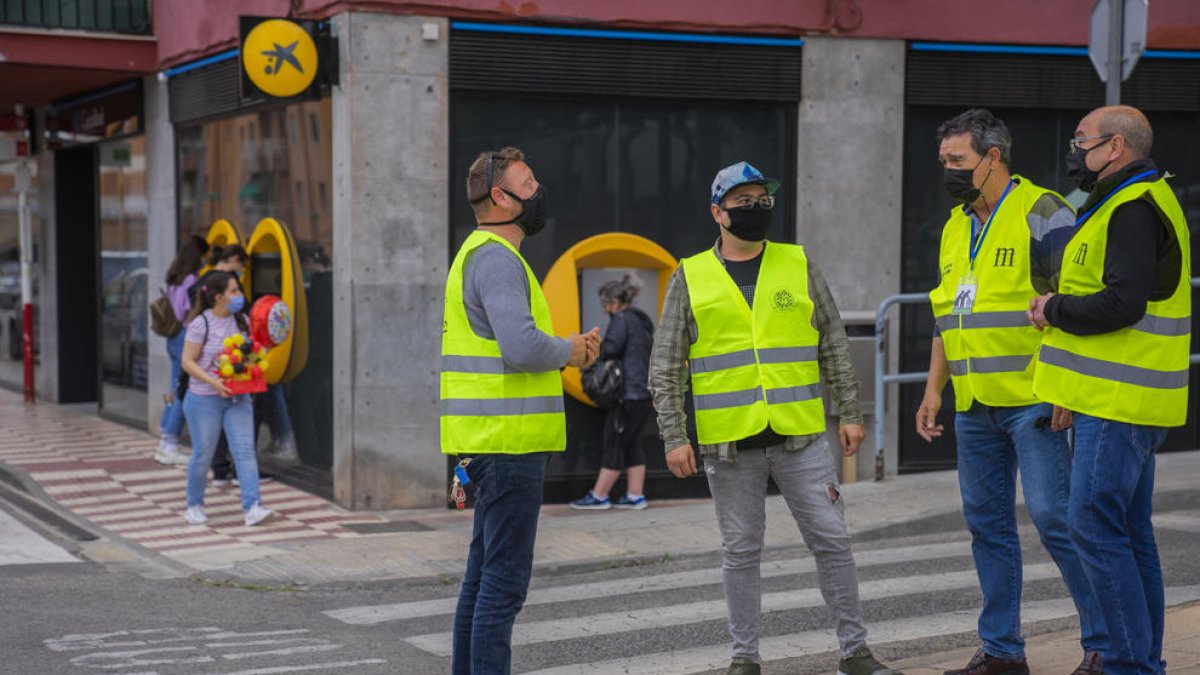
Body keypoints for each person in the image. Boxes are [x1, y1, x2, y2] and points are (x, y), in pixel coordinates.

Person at [648, 161, 901, 675]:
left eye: (762, 198)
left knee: (831, 542)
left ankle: (856, 653)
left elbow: (832, 339)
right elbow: (666, 365)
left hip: (801, 437)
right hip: (729, 444)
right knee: (740, 552)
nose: (756, 208)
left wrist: (849, 411)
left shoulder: (797, 263)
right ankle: (745, 659)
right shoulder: (690, 275)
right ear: (717, 212)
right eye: (743, 201)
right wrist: (675, 436)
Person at [917, 109, 1106, 675]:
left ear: (992, 157)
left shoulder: (1043, 210)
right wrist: (933, 392)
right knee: (987, 527)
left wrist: (1067, 389)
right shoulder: (955, 225)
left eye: (958, 161)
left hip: (1034, 399)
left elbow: (1073, 304)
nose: (947, 170)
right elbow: (947, 316)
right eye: (944, 161)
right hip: (975, 406)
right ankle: (1002, 651)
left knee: (1056, 519)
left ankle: (1105, 644)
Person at [1029, 105, 1190, 675]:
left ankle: (1127, 665)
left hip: (1117, 405)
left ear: (1116, 146)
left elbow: (1122, 304)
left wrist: (1052, 308)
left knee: (1093, 527)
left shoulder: (1132, 208)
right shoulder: (1124, 202)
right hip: (1118, 400)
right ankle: (1143, 662)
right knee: (1127, 532)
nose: (1074, 150)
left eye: (1081, 140)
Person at [441, 146, 599, 674]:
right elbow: (522, 347)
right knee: (502, 588)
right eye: (528, 183)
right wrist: (572, 350)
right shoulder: (495, 260)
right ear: (501, 197)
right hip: (508, 446)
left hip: (487, 441)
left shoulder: (477, 255)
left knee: (481, 579)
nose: (539, 191)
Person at [180, 271, 275, 527]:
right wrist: (213, 382)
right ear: (219, 297)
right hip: (204, 398)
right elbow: (187, 362)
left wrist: (266, 345)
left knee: (244, 450)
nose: (239, 296)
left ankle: (253, 506)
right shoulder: (202, 323)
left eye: (238, 290)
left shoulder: (243, 321)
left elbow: (250, 356)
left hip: (238, 397)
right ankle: (194, 504)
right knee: (203, 453)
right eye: (234, 291)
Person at [570, 274, 655, 510]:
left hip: (626, 393)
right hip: (643, 392)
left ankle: (599, 495)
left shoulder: (621, 319)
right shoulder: (641, 319)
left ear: (615, 302)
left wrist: (591, 346)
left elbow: (610, 348)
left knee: (613, 442)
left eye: (605, 304)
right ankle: (635, 495)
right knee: (633, 443)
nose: (605, 309)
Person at [156, 235, 208, 465]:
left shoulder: (174, 278)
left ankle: (164, 436)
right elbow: (190, 310)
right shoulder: (190, 281)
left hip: (172, 337)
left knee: (175, 387)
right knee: (182, 391)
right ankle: (169, 442)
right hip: (185, 336)